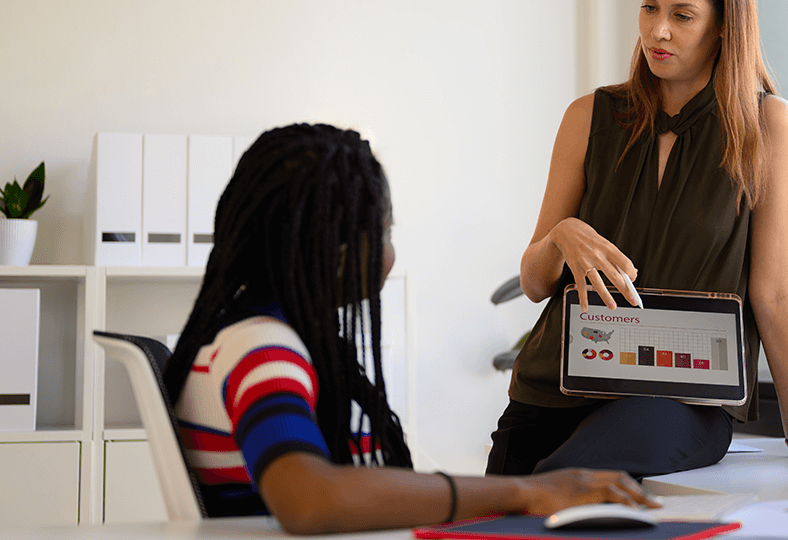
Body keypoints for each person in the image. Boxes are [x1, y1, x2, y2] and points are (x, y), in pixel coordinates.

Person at [486, 0, 788, 478]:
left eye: (683, 14)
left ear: (724, 24)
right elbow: (534, 283)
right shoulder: (588, 117)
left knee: (563, 484)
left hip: (677, 401)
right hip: (553, 388)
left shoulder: (768, 125)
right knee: (497, 520)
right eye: (649, 8)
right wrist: (561, 235)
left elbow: (771, 289)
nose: (659, 30)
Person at [162, 123, 657, 535]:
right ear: (332, 247)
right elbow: (308, 499)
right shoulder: (261, 348)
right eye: (384, 232)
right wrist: (525, 490)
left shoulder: (249, 334)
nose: (390, 250)